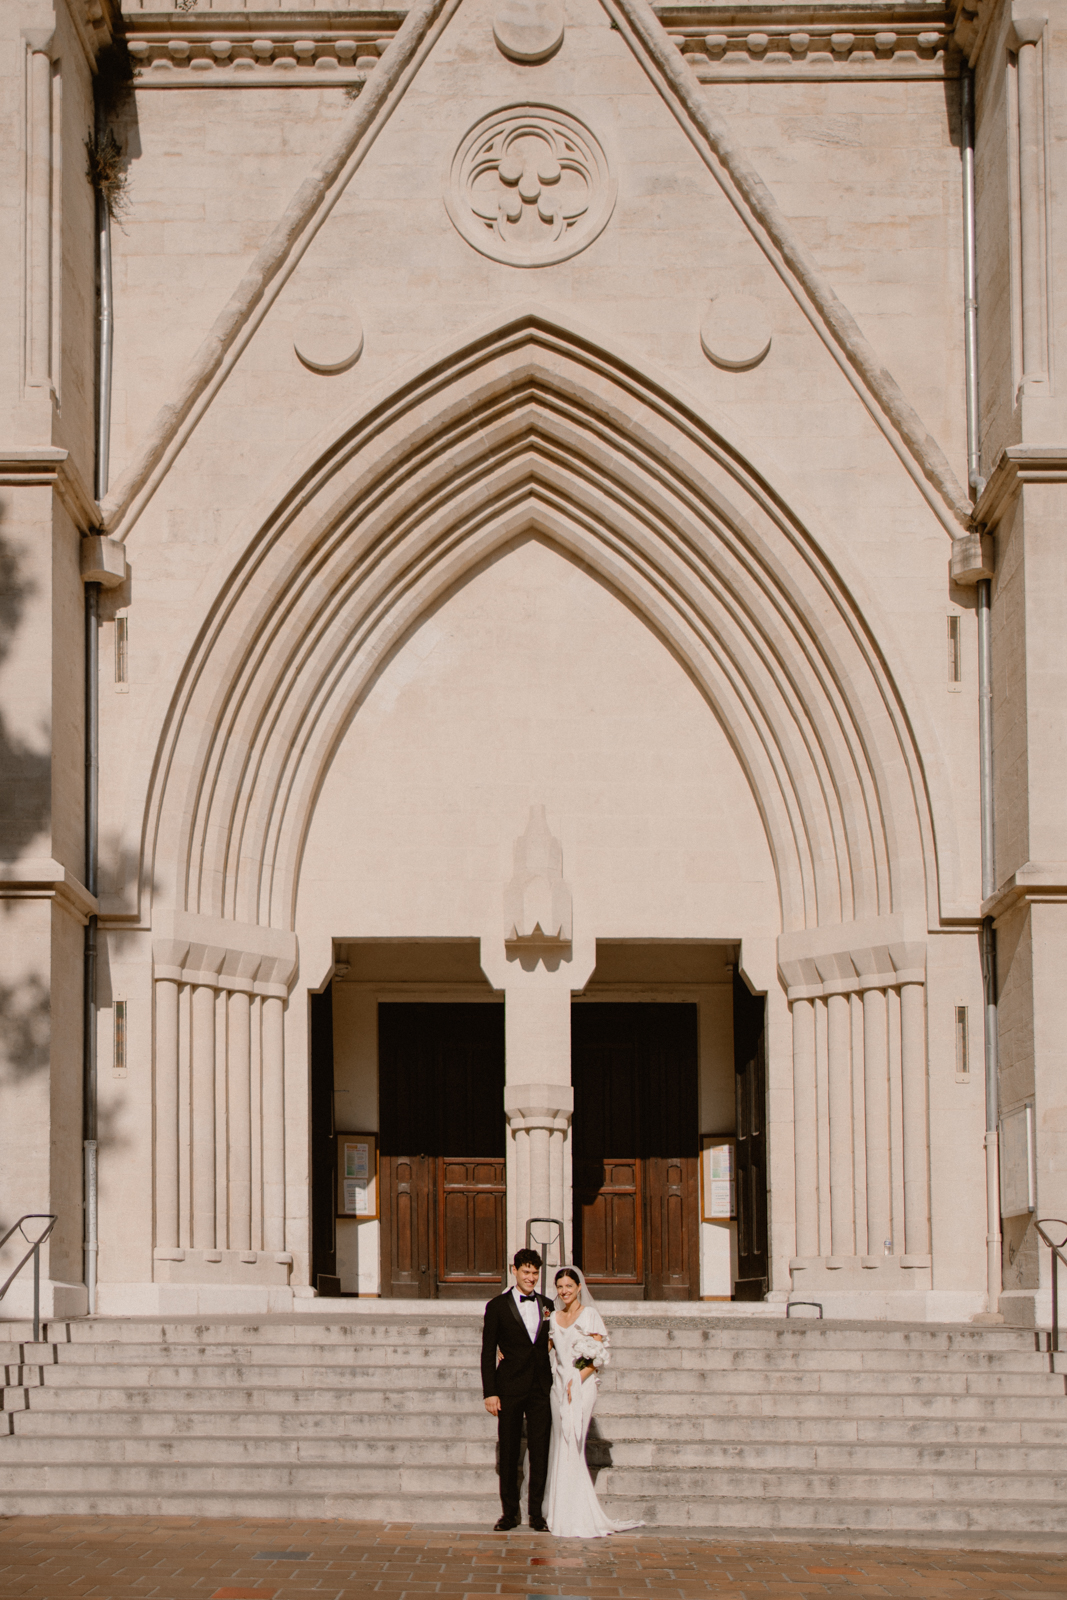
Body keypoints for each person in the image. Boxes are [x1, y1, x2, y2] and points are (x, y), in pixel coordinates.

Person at [543, 1265, 643, 1538]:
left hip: (581, 1386)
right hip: (559, 1386)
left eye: (569, 1286)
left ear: (578, 1288)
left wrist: (577, 1378)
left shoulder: (590, 1315)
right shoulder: (554, 1317)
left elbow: (596, 1357)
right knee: (561, 1443)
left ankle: (578, 1514)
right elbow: (543, 1350)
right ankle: (561, 1512)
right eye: (560, 1287)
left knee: (574, 1441)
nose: (564, 1291)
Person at [481, 1247, 554, 1531]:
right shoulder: (497, 1306)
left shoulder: (548, 1305)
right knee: (510, 1452)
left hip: (540, 1389)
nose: (531, 1278)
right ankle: (509, 1513)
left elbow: (551, 1340)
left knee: (540, 1452)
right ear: (514, 1271)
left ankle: (537, 1514)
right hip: (508, 1388)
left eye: (535, 1273)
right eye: (526, 1272)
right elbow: (488, 1351)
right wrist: (490, 1392)